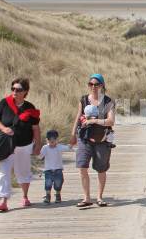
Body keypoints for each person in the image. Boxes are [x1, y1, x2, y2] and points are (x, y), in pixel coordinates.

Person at [0, 78, 42, 212]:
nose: (14, 91)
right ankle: (2, 199)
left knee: (23, 170)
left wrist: (38, 145)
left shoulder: (29, 107)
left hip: (24, 144)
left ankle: (25, 196)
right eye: (13, 89)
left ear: (25, 92)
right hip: (7, 144)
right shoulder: (4, 103)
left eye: (18, 89)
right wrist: (3, 128)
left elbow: (35, 128)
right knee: (4, 170)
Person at [70, 74, 115, 208]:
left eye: (96, 84)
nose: (93, 87)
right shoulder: (83, 100)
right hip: (84, 137)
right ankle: (86, 198)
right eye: (91, 84)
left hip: (102, 139)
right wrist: (72, 134)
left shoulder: (108, 102)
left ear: (102, 85)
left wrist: (94, 120)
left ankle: (100, 197)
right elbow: (78, 117)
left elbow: (111, 120)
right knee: (82, 166)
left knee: (101, 168)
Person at [39, 130, 73, 204]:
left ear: (57, 140)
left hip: (58, 169)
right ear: (47, 140)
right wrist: (38, 152)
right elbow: (40, 156)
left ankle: (58, 195)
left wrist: (71, 144)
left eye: (53, 139)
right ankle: (48, 196)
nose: (52, 141)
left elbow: (68, 148)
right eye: (49, 140)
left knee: (58, 183)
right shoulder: (45, 148)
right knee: (48, 184)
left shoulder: (59, 147)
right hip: (48, 170)